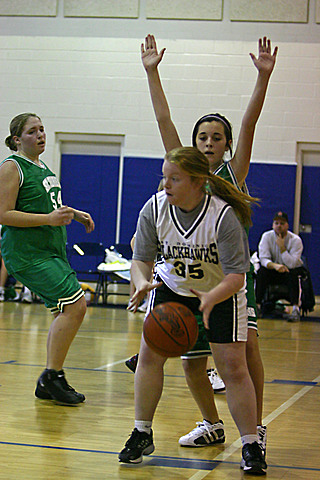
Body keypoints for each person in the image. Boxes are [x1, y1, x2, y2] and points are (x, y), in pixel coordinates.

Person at [138, 34, 277, 453]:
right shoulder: (181, 171)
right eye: (203, 137)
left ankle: (255, 427)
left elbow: (250, 122)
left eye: (217, 137)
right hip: (188, 277)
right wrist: (152, 71)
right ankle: (212, 424)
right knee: (191, 359)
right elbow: (164, 121)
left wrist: (263, 79)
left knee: (245, 349)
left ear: (227, 144)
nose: (209, 143)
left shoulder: (232, 173)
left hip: (231, 277)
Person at [119, 147, 266, 475]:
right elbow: (140, 259)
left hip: (222, 291)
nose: (165, 184)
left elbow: (236, 276)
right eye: (164, 177)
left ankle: (251, 444)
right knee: (149, 357)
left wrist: (212, 297)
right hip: (171, 289)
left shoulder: (223, 215)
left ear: (198, 182)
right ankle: (141, 432)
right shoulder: (154, 208)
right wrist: (141, 282)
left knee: (233, 367)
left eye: (174, 178)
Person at [0, 112, 95, 405]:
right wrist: (50, 219)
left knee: (63, 311)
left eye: (42, 130)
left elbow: (49, 206)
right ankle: (51, 375)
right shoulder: (11, 167)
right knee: (76, 305)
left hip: (50, 250)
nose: (40, 135)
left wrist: (73, 213)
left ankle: (52, 379)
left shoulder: (42, 167)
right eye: (32, 131)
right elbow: (3, 214)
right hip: (27, 253)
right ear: (17, 139)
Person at [256, 211, 304, 322]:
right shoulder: (266, 237)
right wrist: (275, 266)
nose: (279, 226)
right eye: (276, 223)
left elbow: (292, 264)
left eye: (282, 223)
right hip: (273, 270)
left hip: (288, 272)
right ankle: (257, 307)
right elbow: (263, 258)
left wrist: (282, 248)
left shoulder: (295, 240)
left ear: (287, 225)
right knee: (261, 272)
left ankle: (295, 309)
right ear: (273, 224)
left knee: (294, 274)